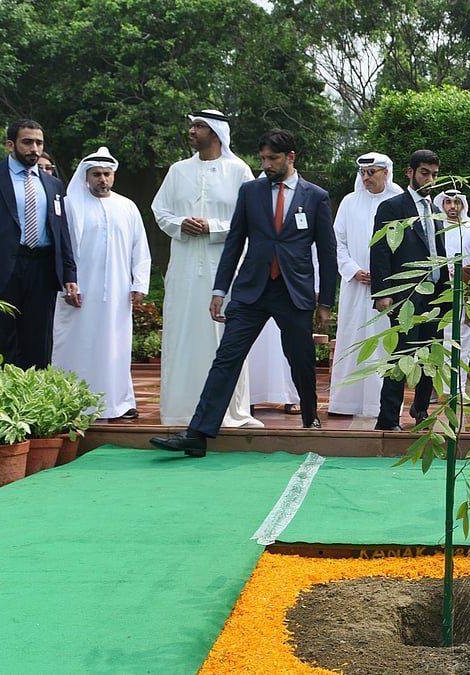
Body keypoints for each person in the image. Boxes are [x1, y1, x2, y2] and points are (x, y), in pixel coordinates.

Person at [150, 129, 336, 456]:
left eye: (273, 159)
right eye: (263, 159)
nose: (266, 165)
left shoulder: (316, 196)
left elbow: (327, 251)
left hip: (293, 292)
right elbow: (234, 242)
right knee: (227, 358)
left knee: (302, 359)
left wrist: (326, 302)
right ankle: (198, 433)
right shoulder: (251, 192)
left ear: (291, 157)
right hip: (251, 291)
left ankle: (311, 419)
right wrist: (220, 289)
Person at [151, 110, 259, 428]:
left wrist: (213, 227)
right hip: (184, 268)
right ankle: (180, 411)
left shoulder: (239, 170)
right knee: (182, 335)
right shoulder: (178, 170)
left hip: (224, 268)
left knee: (225, 337)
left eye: (198, 126)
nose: (191, 131)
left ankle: (228, 412)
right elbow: (160, 210)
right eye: (192, 125)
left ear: (215, 132)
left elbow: (251, 217)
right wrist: (180, 224)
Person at [0, 119, 78, 368]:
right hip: (2, 271)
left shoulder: (53, 184)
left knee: (39, 341)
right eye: (27, 142)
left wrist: (69, 272)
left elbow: (60, 231)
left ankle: (35, 390)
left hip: (43, 270)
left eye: (39, 143)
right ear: (10, 144)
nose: (34, 149)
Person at [51, 147, 151, 420]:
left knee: (115, 346)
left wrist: (139, 283)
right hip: (78, 292)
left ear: (114, 176)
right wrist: (67, 283)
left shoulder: (127, 206)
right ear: (86, 176)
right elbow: (61, 249)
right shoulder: (71, 205)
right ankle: (72, 402)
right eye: (96, 174)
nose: (102, 179)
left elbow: (139, 247)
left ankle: (117, 403)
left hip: (118, 292)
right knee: (77, 346)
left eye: (107, 174)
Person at [369, 150, 446, 431]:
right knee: (402, 356)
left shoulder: (436, 211)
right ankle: (388, 419)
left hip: (436, 295)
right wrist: (382, 293)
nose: (430, 179)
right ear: (410, 172)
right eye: (425, 173)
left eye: (435, 174)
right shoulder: (392, 207)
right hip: (406, 296)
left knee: (431, 355)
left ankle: (421, 409)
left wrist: (448, 292)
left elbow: (438, 250)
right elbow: (380, 251)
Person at [329, 152, 402, 418]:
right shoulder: (350, 202)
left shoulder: (398, 200)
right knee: (351, 337)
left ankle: (378, 405)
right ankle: (344, 403)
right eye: (362, 172)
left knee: (382, 342)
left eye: (372, 172)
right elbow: (338, 242)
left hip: (387, 288)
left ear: (386, 173)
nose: (366, 177)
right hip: (355, 284)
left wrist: (385, 275)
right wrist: (353, 270)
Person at [432, 187, 470, 396]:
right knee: (436, 339)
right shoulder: (434, 227)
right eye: (448, 202)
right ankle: (435, 387)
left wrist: (464, 272)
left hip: (463, 293)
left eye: (457, 202)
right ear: (442, 204)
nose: (453, 207)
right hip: (437, 293)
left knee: (462, 341)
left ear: (463, 204)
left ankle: (458, 388)